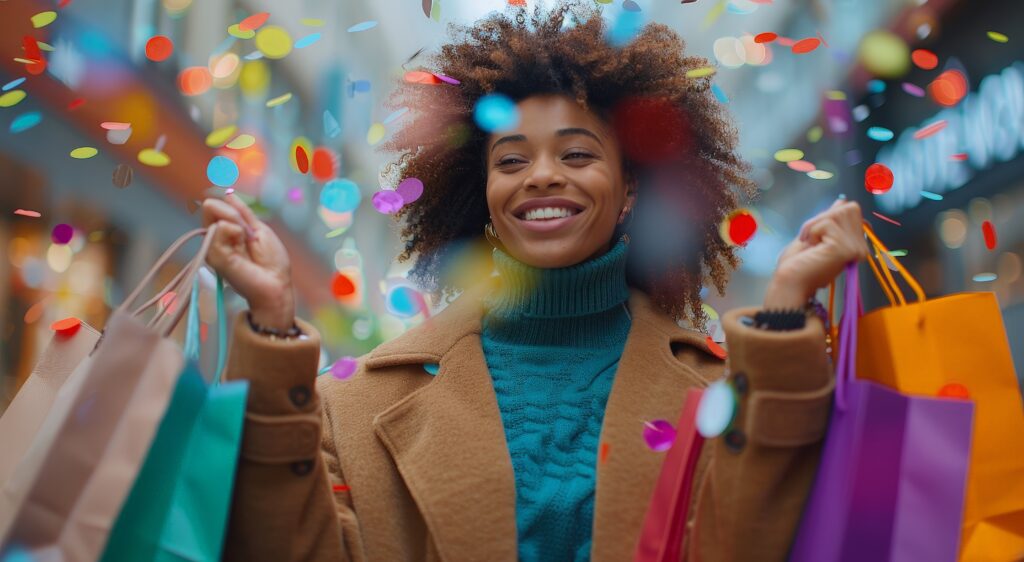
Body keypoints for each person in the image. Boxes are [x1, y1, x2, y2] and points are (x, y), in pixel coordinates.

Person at [202, 2, 869, 560]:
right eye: (511, 160)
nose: (542, 175)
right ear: (482, 193)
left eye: (577, 154)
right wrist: (268, 322)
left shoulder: (720, 395)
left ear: (631, 188)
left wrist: (784, 317)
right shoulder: (353, 405)